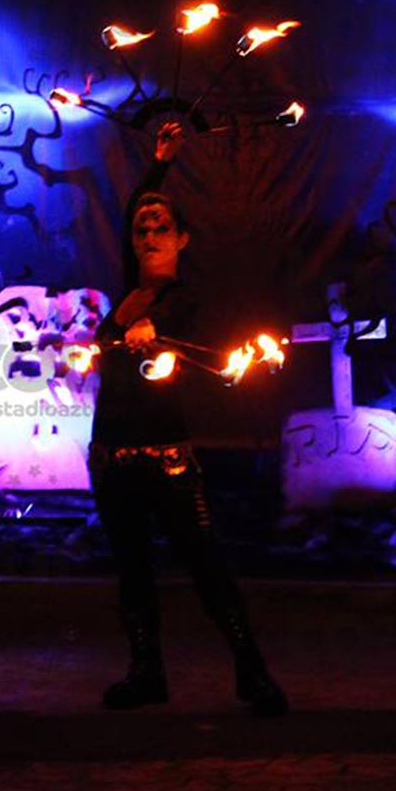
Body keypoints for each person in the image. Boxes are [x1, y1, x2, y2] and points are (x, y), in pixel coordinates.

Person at [89, 121, 288, 717]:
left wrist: (155, 336)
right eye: (142, 228)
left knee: (204, 565)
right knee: (132, 571)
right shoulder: (126, 294)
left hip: (167, 462)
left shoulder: (180, 300)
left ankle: (252, 672)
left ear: (182, 240)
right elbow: (137, 204)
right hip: (111, 458)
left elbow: (173, 327)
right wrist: (159, 164)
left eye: (161, 228)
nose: (149, 234)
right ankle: (146, 673)